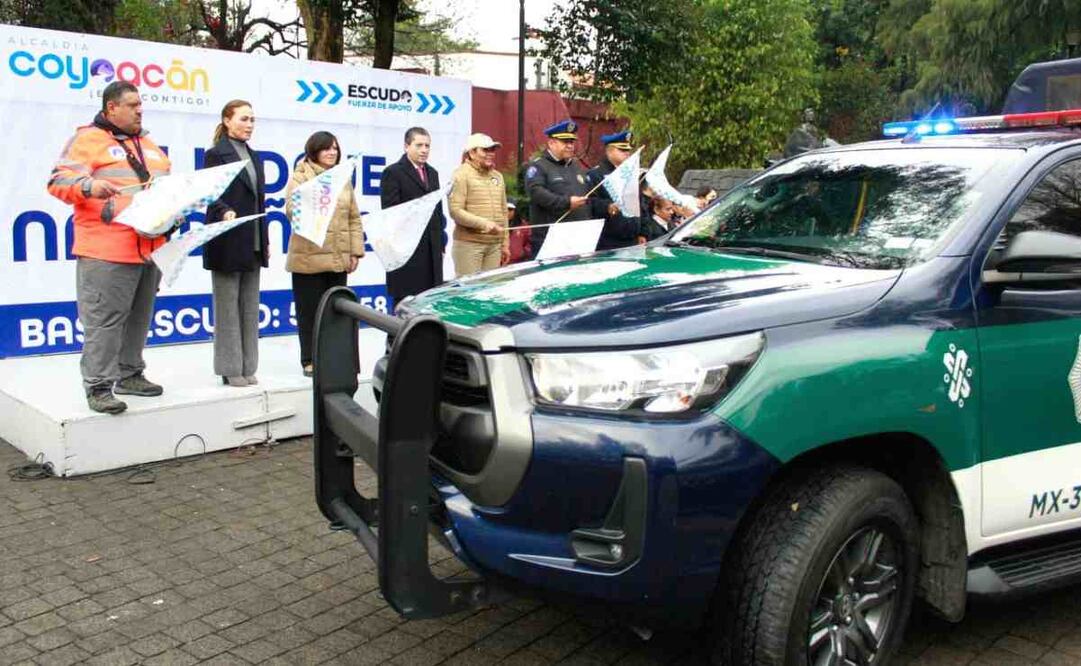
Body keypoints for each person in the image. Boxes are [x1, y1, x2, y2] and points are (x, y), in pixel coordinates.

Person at [47, 81, 171, 414]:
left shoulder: (148, 143)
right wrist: (89, 185)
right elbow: (57, 181)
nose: (139, 110)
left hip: (148, 248)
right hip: (106, 250)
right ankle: (99, 386)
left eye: (141, 104)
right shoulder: (88, 139)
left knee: (139, 318)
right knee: (104, 321)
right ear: (111, 108)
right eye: (132, 105)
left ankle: (130, 374)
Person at [285, 131, 364, 378]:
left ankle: (332, 358)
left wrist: (355, 251)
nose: (332, 153)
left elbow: (353, 217)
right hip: (309, 258)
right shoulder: (300, 177)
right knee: (309, 312)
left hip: (338, 258)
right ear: (314, 151)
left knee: (336, 313)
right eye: (326, 148)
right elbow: (291, 211)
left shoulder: (342, 178)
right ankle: (309, 359)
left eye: (335, 148)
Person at [202, 100, 267, 388]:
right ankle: (230, 368)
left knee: (249, 306)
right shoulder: (216, 154)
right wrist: (223, 210)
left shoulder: (255, 156)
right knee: (227, 307)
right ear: (227, 120)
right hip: (228, 238)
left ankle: (248, 365)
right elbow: (209, 193)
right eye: (243, 118)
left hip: (252, 239)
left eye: (252, 119)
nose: (249, 124)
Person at [379, 127, 446, 310]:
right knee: (405, 305)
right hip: (406, 251)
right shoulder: (393, 173)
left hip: (431, 251)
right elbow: (390, 212)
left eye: (427, 146)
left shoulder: (433, 173)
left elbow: (437, 210)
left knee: (428, 303)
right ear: (406, 146)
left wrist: (440, 244)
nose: (424, 150)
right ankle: (398, 338)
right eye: (419, 145)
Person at [525, 120, 596, 259]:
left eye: (572, 142)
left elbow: (589, 197)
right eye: (565, 142)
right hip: (551, 239)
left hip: (579, 237)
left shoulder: (576, 167)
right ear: (551, 143)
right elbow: (537, 193)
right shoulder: (538, 166)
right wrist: (567, 202)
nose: (570, 146)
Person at [448, 133, 509, 276]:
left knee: (491, 293)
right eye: (485, 150)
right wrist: (484, 224)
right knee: (468, 293)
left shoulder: (497, 176)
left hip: (494, 246)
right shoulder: (460, 175)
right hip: (469, 245)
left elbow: (504, 211)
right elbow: (455, 211)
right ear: (472, 152)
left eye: (492, 150)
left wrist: (505, 243)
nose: (490, 154)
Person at [586, 129, 642, 251]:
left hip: (632, 236)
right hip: (609, 239)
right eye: (622, 150)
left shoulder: (630, 174)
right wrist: (607, 206)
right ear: (610, 151)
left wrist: (643, 231)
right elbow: (590, 202)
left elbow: (640, 203)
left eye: (628, 150)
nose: (627, 153)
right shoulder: (596, 175)